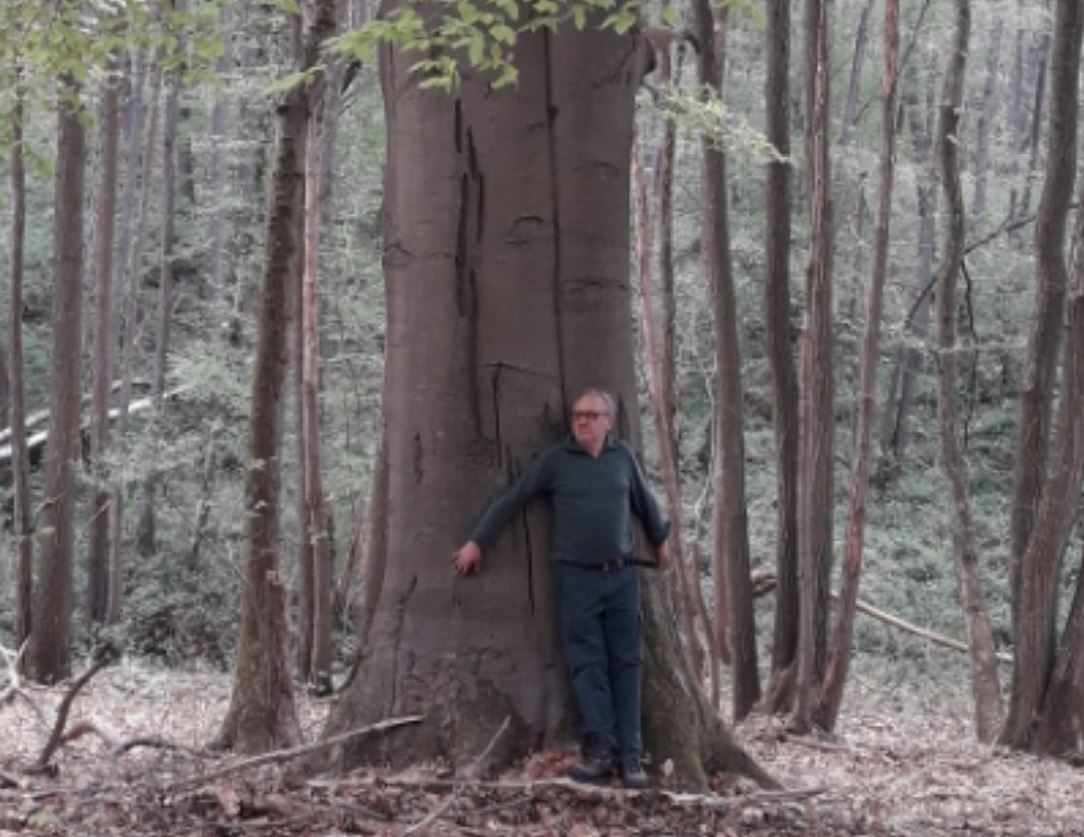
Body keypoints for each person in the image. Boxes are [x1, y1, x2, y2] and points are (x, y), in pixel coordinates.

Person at [452, 388, 670, 789]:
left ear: (609, 420)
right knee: (587, 665)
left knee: (626, 663)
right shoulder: (556, 461)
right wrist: (477, 540)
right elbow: (513, 497)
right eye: (577, 415)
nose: (582, 421)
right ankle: (601, 750)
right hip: (577, 577)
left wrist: (661, 539)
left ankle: (631, 757)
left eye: (591, 415)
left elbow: (645, 502)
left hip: (621, 576)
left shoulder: (622, 459)